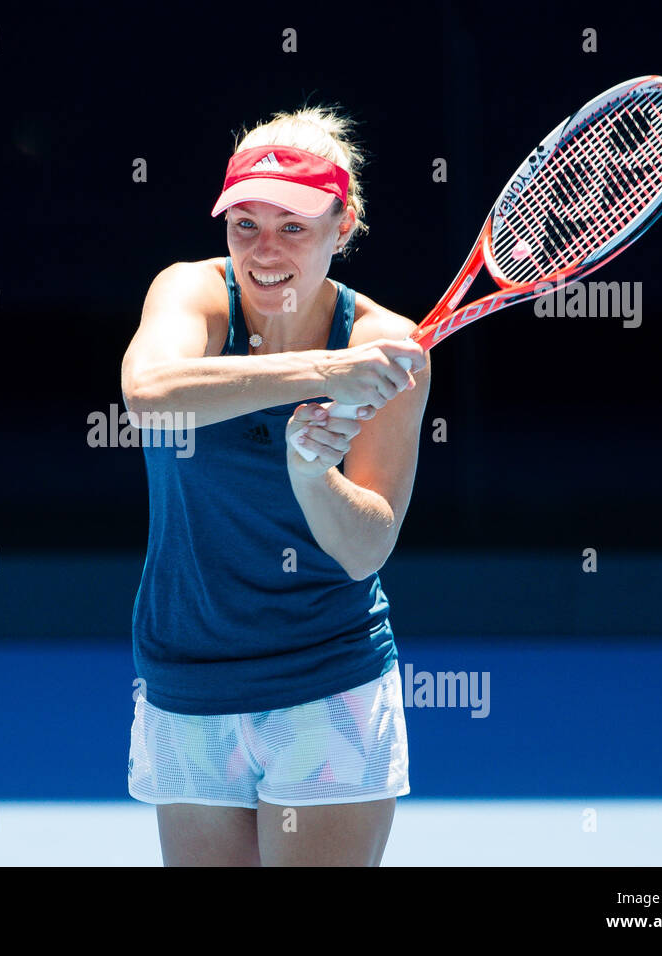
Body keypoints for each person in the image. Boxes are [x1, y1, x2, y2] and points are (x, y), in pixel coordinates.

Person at [120, 105, 430, 866]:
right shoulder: (190, 293)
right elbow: (148, 395)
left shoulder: (386, 348)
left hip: (327, 683)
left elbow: (365, 550)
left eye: (293, 226)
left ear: (341, 223)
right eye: (245, 224)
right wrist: (321, 375)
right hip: (185, 678)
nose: (265, 251)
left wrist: (312, 473)